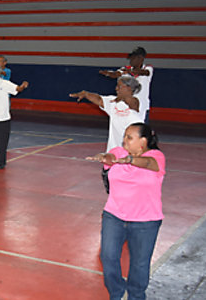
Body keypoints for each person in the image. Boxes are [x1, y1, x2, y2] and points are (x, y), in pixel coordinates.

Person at [85, 123, 165, 300]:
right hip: (114, 216)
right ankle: (117, 293)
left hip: (146, 221)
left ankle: (136, 296)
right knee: (108, 257)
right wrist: (106, 157)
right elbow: (112, 156)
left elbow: (149, 164)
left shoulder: (156, 156)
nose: (124, 141)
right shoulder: (119, 152)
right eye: (124, 137)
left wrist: (129, 160)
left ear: (143, 141)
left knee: (140, 264)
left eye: (130, 137)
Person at [70, 75, 144, 152]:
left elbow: (133, 103)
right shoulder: (114, 102)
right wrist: (85, 94)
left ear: (128, 88)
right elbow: (99, 99)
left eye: (119, 86)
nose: (116, 89)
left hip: (130, 151)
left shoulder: (137, 101)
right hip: (113, 151)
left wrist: (122, 98)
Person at [99, 47, 153, 122]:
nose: (130, 61)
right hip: (127, 107)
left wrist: (129, 71)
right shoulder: (125, 68)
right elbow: (116, 74)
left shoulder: (148, 68)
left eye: (133, 58)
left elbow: (144, 72)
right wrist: (108, 74)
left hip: (142, 107)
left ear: (140, 58)